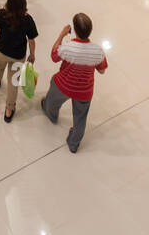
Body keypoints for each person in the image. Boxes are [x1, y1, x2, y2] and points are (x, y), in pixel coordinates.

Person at [41, 14, 108, 153]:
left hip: (63, 85)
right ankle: (73, 143)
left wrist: (61, 34)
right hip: (84, 92)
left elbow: (54, 56)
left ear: (74, 30)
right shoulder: (98, 51)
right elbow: (102, 71)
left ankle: (51, 114)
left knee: (52, 99)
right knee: (80, 118)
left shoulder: (68, 47)